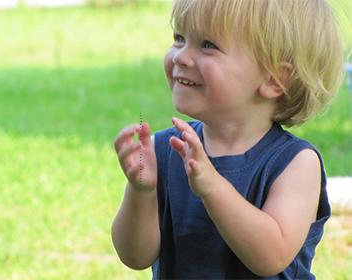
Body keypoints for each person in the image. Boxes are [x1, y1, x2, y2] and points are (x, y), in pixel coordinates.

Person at [111, 0, 345, 278]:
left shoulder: (295, 164)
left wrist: (212, 187)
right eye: (180, 38)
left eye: (208, 45)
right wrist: (142, 192)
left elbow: (271, 257)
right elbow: (135, 256)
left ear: (274, 80)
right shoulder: (166, 150)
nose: (181, 57)